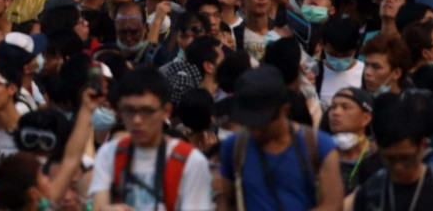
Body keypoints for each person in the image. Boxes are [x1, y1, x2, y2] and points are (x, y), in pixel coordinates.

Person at [216, 67, 343, 211]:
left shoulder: (319, 146)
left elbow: (333, 204)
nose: (254, 130)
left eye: (261, 123)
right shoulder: (235, 147)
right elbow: (226, 199)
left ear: (284, 110)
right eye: (248, 123)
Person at [89, 66, 213, 211]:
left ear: (166, 111)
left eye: (146, 111)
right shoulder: (109, 154)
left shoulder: (190, 161)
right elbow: (98, 205)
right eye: (129, 110)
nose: (136, 120)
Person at [351, 93, 433, 211]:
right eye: (390, 159)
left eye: (406, 158)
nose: (398, 167)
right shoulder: (370, 194)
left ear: (422, 146)